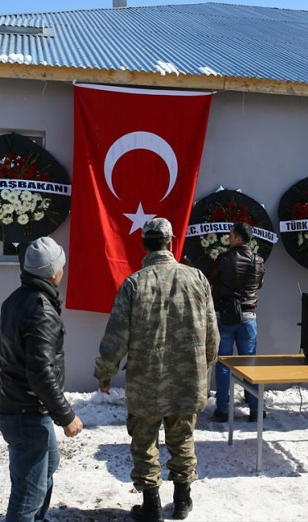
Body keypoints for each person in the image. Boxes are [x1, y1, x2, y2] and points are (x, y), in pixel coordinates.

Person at [95, 218, 219, 521]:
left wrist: (104, 373)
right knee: (183, 439)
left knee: (144, 441)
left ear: (143, 244)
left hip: (146, 383)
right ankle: (182, 501)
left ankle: (151, 505)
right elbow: (212, 335)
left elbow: (116, 337)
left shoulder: (134, 284)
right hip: (188, 381)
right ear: (171, 242)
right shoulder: (198, 279)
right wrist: (204, 369)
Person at [0, 236, 84, 522]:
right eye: (62, 265)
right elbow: (40, 372)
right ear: (52, 272)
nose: (64, 269)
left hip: (24, 408)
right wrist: (66, 416)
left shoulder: (16, 300)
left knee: (46, 469)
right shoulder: (41, 311)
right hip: (28, 413)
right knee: (27, 493)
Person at [207, 222, 265, 423]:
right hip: (249, 316)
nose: (229, 238)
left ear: (239, 238)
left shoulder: (224, 259)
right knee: (250, 362)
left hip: (226, 315)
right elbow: (259, 284)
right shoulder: (258, 260)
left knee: (223, 363)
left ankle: (223, 409)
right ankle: (256, 408)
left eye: (231, 235)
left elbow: (210, 279)